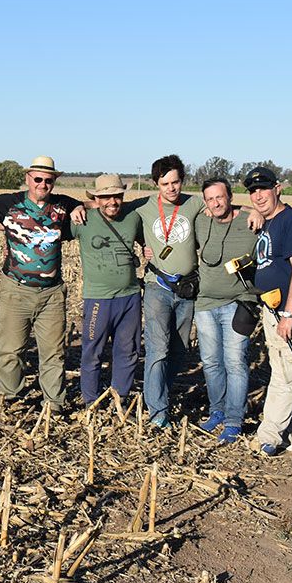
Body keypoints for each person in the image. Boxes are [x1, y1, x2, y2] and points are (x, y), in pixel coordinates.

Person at [0, 156, 83, 413]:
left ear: (54, 182)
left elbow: (90, 206)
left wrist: (80, 206)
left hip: (52, 293)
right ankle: (12, 398)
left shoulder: (63, 205)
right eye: (38, 179)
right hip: (16, 289)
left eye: (48, 180)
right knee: (10, 350)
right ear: (28, 179)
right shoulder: (9, 203)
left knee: (53, 353)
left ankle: (54, 404)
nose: (42, 184)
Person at [244, 166, 292, 456]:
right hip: (273, 307)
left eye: (264, 188)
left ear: (278, 188)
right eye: (253, 191)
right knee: (289, 373)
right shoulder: (269, 222)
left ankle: (268, 436)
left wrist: (289, 315)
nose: (258, 195)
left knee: (286, 376)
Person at [128, 155, 205, 428]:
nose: (171, 188)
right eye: (165, 183)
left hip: (187, 289)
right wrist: (80, 207)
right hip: (157, 287)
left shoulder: (195, 202)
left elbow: (225, 207)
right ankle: (158, 411)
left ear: (182, 181)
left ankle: (160, 390)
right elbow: (112, 210)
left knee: (178, 350)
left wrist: (253, 212)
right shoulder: (145, 206)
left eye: (176, 182)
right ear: (155, 184)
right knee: (157, 348)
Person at [192, 178, 258, 445]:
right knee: (211, 362)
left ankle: (234, 420)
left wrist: (252, 210)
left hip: (237, 303)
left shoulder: (250, 222)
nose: (216, 203)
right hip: (205, 304)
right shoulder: (201, 221)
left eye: (220, 197)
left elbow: (277, 213)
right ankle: (216, 411)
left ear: (230, 197)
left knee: (235, 363)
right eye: (210, 199)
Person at [70, 174, 143, 406]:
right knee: (92, 352)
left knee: (128, 350)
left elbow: (149, 239)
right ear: (96, 199)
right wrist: (76, 206)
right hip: (98, 299)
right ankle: (91, 400)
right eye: (106, 197)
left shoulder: (133, 218)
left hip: (130, 297)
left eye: (117, 196)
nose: (112, 201)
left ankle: (119, 398)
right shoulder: (82, 220)